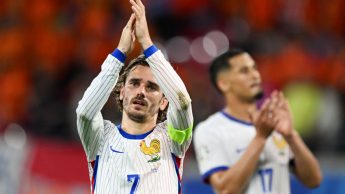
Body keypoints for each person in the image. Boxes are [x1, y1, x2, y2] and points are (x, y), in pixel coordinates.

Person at [76, 0, 193, 193]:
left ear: (164, 102)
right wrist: (120, 53)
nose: (141, 91)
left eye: (152, 87)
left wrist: (147, 43)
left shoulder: (173, 140)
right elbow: (85, 113)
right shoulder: (101, 137)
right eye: (134, 83)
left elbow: (182, 103)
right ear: (122, 91)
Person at [193, 49, 322, 194]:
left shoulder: (274, 124)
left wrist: (291, 135)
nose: (255, 75)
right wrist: (260, 139)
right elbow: (225, 189)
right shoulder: (210, 130)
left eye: (255, 68)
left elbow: (314, 180)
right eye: (244, 71)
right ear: (224, 84)